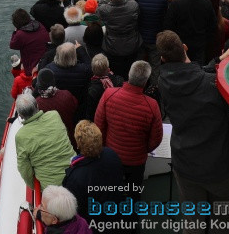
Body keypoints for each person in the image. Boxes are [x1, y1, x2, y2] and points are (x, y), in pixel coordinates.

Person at [156, 30, 229, 232]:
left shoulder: (163, 82)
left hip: (185, 165)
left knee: (192, 222)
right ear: (185, 47)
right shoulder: (213, 85)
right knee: (221, 225)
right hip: (220, 167)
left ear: (162, 58)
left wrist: (220, 59)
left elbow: (193, 74)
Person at [93, 60, 163, 191]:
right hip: (136, 161)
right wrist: (143, 150)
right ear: (145, 80)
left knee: (111, 192)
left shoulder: (109, 94)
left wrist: (105, 147)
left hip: (111, 156)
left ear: (129, 75)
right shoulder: (152, 105)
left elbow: (99, 126)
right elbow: (156, 139)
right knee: (133, 194)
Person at [62, 121, 126, 228]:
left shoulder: (75, 177)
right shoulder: (112, 154)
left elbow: (76, 209)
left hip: (95, 223)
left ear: (78, 144)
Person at [15, 93, 76, 188]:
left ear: (20, 116)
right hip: (76, 173)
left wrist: (34, 187)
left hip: (53, 188)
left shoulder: (21, 136)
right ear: (37, 106)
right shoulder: (54, 115)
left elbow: (24, 169)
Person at [163, 0, 219, 65]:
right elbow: (213, 27)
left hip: (180, 47)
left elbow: (168, 27)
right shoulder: (206, 3)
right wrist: (204, 41)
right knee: (198, 71)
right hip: (199, 46)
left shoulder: (176, 4)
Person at [97, 0, 140, 81]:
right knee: (128, 73)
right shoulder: (133, 6)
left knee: (115, 74)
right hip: (131, 46)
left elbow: (98, 10)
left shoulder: (104, 9)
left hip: (112, 47)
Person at [130, 0, 170, 68]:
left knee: (138, 65)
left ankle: (137, 83)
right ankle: (155, 84)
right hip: (155, 37)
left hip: (139, 37)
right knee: (155, 65)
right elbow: (164, 16)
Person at [35, 68, 79, 146]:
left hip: (51, 144)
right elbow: (75, 106)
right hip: (70, 138)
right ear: (53, 81)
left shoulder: (37, 104)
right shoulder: (66, 94)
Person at [45, 43, 92, 113]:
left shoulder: (49, 69)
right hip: (79, 106)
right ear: (74, 56)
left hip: (58, 108)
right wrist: (81, 50)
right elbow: (90, 66)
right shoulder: (83, 70)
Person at [83, 53, 123, 121]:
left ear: (93, 70)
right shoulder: (119, 81)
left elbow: (90, 112)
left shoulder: (92, 90)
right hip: (115, 117)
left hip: (100, 119)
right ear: (108, 69)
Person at [10, 8, 48, 76]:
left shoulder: (20, 34)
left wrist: (15, 31)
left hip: (32, 67)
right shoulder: (39, 25)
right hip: (45, 61)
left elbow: (12, 45)